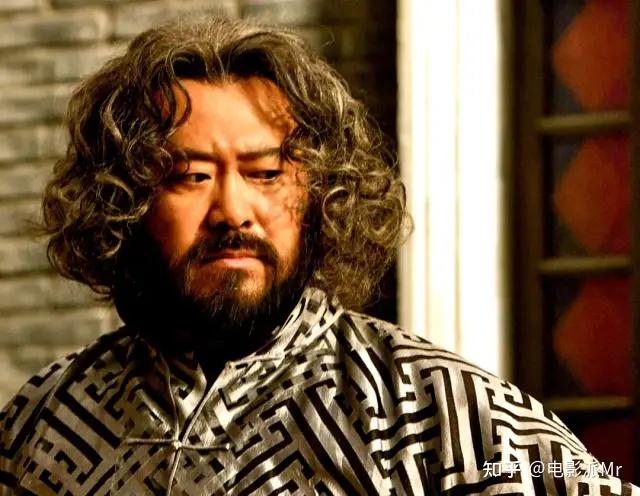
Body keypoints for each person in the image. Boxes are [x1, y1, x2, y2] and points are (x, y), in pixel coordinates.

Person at [0, 17, 635, 496]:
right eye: (191, 176)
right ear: (123, 200)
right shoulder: (44, 423)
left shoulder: (434, 409)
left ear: (321, 195)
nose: (233, 211)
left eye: (267, 172)